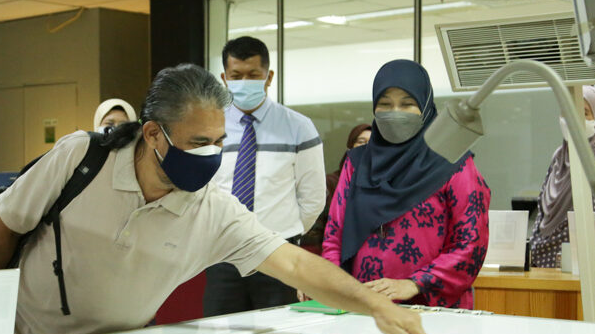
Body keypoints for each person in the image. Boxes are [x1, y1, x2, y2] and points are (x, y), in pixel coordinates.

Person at [0, 63, 441, 334]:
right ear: (154, 133)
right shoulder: (80, 158)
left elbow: (296, 262)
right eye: (198, 143)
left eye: (219, 143)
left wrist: (372, 305)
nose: (211, 155)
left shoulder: (213, 210)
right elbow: (5, 227)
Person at [320, 59, 490, 309]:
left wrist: (415, 283)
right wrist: (329, 283)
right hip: (363, 308)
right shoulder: (357, 164)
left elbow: (470, 242)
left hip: (430, 310)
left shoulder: (453, 163)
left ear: (425, 106)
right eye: (385, 104)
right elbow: (334, 236)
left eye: (407, 104)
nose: (395, 112)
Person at [203, 36, 326, 316]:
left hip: (278, 256)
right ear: (224, 78)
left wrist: (282, 235)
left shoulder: (298, 127)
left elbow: (313, 198)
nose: (244, 82)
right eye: (236, 76)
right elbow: (203, 191)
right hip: (224, 256)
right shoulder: (210, 128)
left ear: (268, 77)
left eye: (253, 75)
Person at [528, 85, 595, 268]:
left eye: (584, 112)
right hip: (540, 260)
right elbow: (542, 208)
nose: (573, 117)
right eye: (567, 110)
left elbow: (593, 216)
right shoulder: (560, 155)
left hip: (578, 265)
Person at [302, 123, 371, 248]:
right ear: (350, 147)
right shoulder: (330, 183)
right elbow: (313, 231)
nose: (367, 147)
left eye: (372, 143)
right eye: (361, 142)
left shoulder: (384, 185)